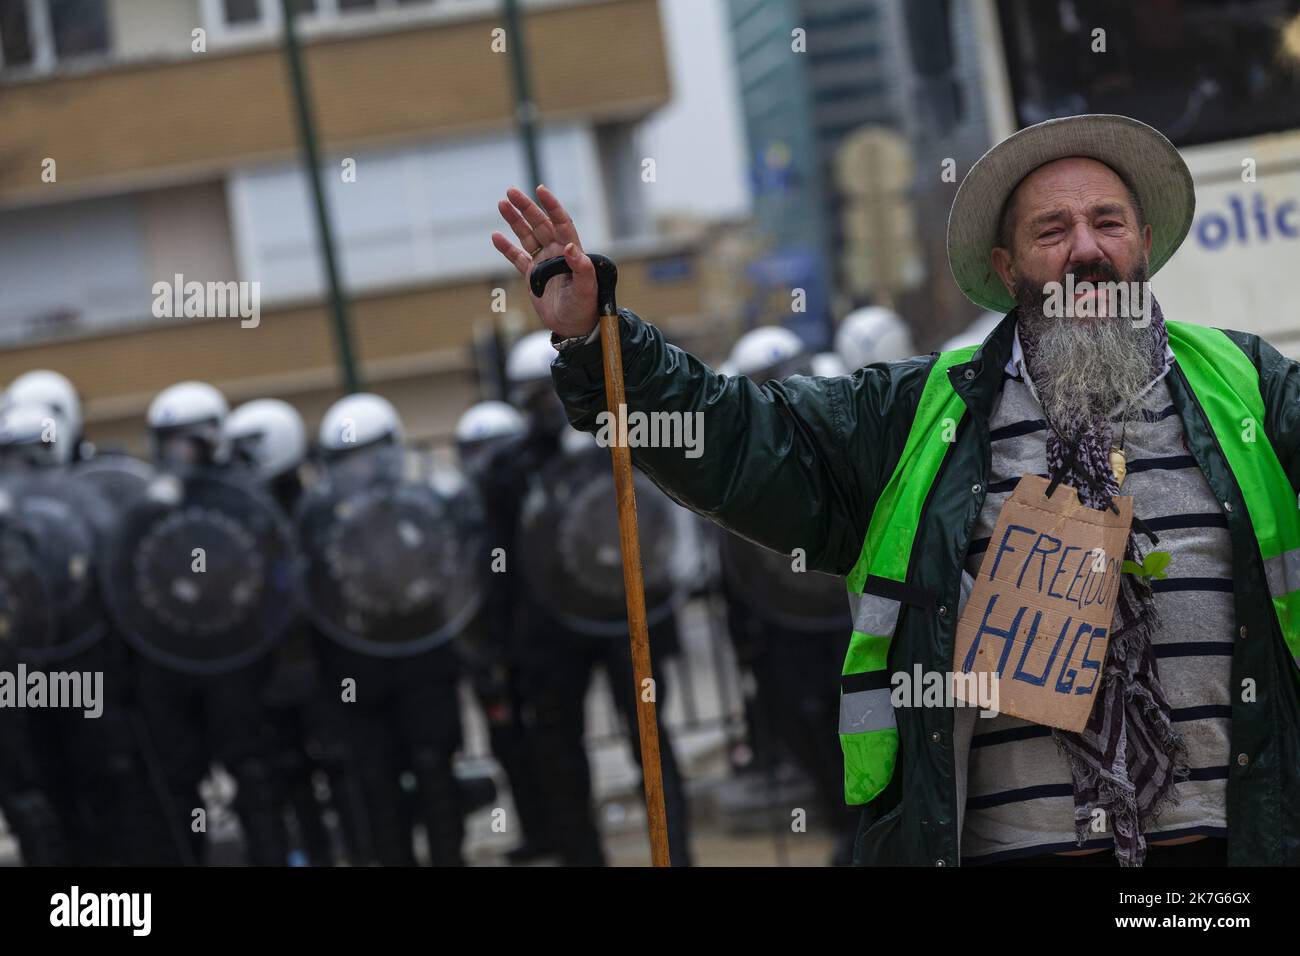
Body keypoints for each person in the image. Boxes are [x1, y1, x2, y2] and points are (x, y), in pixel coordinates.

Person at [490, 115, 1300, 867]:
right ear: (1006, 266)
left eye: (1108, 222)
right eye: (1051, 231)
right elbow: (737, 434)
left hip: (1229, 857)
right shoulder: (912, 414)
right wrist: (601, 338)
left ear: (1145, 244)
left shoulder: (1247, 387)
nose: (1085, 249)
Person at [496, 333, 693, 866]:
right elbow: (499, 561)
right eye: (534, 395)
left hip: (623, 614)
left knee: (650, 740)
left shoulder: (622, 442)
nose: (546, 406)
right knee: (558, 753)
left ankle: (674, 855)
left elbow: (661, 527)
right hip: (552, 632)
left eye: (550, 391)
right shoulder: (511, 470)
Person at [0, 387, 175, 866]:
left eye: (26, 454)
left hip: (87, 662)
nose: (17, 467)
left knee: (114, 784)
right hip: (27, 671)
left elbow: (120, 580)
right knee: (47, 790)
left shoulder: (89, 501)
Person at [131, 381, 288, 865]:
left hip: (236, 659)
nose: (174, 452)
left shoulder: (245, 499)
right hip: (171, 663)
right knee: (175, 785)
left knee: (255, 775)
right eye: (166, 441)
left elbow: (279, 579)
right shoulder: (152, 505)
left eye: (185, 440)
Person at [307, 392, 467, 866]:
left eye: (367, 457)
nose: (359, 471)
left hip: (425, 664)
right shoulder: (320, 523)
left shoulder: (427, 507)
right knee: (375, 785)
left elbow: (457, 576)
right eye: (346, 462)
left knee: (435, 771)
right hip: (358, 673)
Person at [455, 399, 556, 863]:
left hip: (534, 640)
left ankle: (563, 834)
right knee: (509, 745)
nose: (483, 461)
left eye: (491, 449)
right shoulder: (462, 514)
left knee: (551, 742)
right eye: (473, 450)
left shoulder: (536, 506)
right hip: (489, 647)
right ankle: (536, 832)